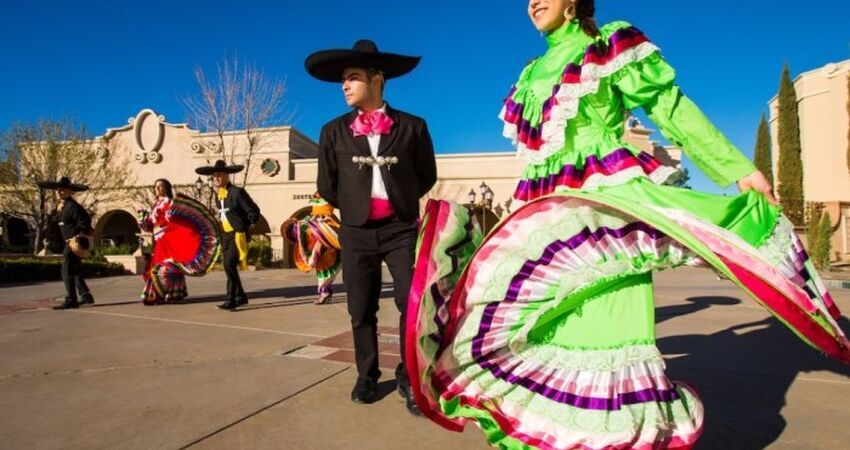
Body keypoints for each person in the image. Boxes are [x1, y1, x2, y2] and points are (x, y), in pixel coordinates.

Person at [405, 1, 850, 448]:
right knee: (521, 330)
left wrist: (737, 169)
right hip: (544, 225)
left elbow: (669, 107)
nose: (533, 2)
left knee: (609, 331)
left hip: (605, 210)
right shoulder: (531, 73)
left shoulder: (606, 45)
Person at [306, 39, 437, 414]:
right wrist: (352, 209)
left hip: (401, 228)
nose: (344, 86)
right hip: (356, 231)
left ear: (376, 79)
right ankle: (366, 374)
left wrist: (400, 202)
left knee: (410, 303)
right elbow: (327, 185)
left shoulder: (413, 127)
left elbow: (426, 176)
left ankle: (409, 376)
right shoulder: (332, 131)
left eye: (352, 78)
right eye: (343, 80)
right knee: (361, 307)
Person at [139, 179, 221, 305]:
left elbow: (169, 219)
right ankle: (173, 293)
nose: (157, 189)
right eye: (156, 187)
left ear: (166, 189)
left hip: (166, 240)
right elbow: (152, 223)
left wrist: (162, 221)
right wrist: (145, 223)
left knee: (164, 265)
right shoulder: (156, 204)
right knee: (166, 265)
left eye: (160, 187)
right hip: (158, 240)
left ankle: (156, 294)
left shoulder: (168, 203)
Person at [195, 160, 260, 311]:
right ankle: (241, 296)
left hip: (237, 234)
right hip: (225, 235)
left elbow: (254, 211)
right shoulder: (218, 195)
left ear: (227, 176)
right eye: (214, 176)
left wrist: (246, 225)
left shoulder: (237, 193)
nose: (216, 178)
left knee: (229, 265)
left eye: (219, 175)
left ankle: (231, 298)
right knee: (228, 267)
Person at [38, 176, 95, 310]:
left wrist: (78, 234)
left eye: (63, 190)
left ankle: (71, 299)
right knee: (74, 270)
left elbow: (85, 220)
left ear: (70, 192)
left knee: (66, 270)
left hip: (73, 243)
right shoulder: (62, 206)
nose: (59, 192)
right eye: (58, 190)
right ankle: (85, 295)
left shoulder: (72, 206)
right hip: (68, 241)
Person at [281, 192, 342, 305]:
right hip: (323, 249)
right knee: (323, 272)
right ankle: (325, 292)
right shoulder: (310, 223)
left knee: (324, 273)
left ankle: (324, 292)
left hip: (326, 248)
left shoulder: (323, 224)